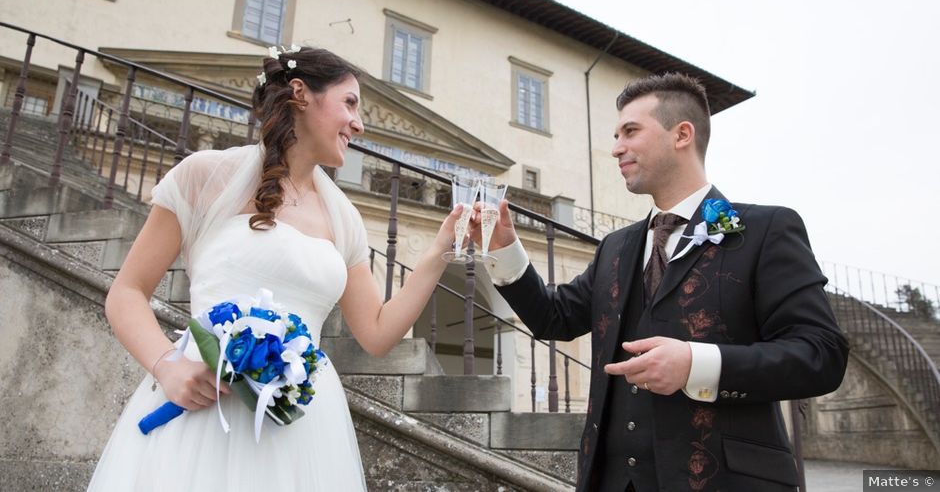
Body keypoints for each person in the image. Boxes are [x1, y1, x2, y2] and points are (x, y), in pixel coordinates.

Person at [86, 46, 464, 491]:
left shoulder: (344, 218)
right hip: (206, 409)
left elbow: (378, 333)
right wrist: (168, 365)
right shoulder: (206, 175)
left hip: (300, 431)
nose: (359, 124)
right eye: (350, 103)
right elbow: (127, 291)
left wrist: (442, 247)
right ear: (301, 94)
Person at [473, 73, 849, 492]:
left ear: (682, 134)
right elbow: (553, 317)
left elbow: (821, 354)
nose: (616, 148)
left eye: (630, 131)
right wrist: (504, 247)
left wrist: (697, 364)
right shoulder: (615, 247)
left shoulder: (764, 230)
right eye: (616, 135)